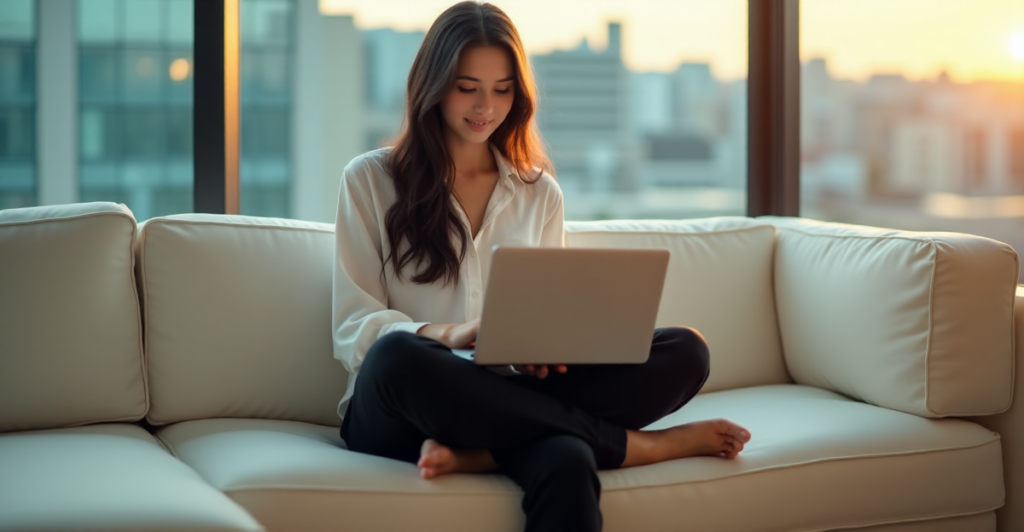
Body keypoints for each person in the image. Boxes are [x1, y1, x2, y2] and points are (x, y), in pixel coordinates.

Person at [332, 2, 751, 530]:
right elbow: (352, 331)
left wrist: (545, 349)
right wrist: (454, 334)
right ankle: (643, 446)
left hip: (511, 399)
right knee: (396, 354)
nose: (486, 106)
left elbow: (548, 310)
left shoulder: (539, 193)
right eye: (468, 87)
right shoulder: (369, 180)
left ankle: (485, 454)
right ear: (433, 85)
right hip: (404, 406)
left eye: (503, 88)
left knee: (680, 355)